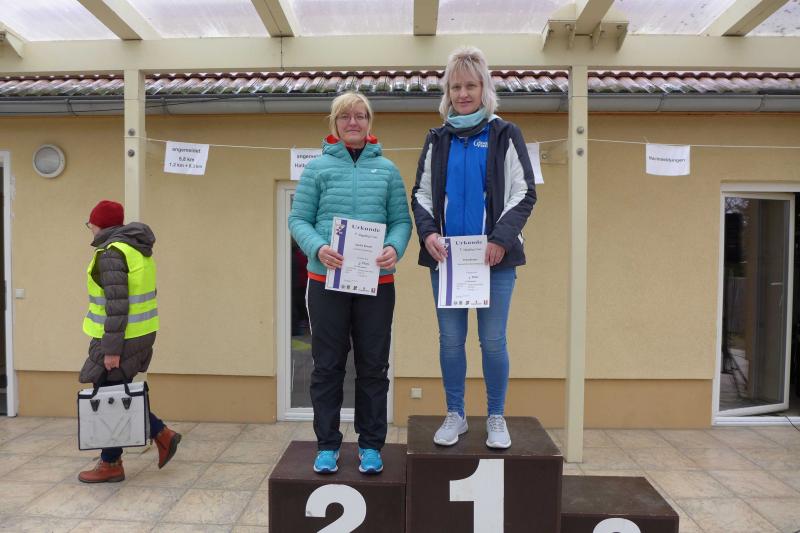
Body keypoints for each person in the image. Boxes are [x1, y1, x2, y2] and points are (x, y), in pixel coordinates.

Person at [411, 46, 537, 449]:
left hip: (495, 261)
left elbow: (524, 192)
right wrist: (428, 234)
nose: (463, 94)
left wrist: (500, 239)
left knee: (493, 341)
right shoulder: (437, 139)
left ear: (485, 89)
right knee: (450, 341)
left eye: (470, 86)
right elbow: (421, 194)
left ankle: (496, 416)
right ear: (447, 93)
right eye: (455, 87)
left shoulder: (505, 134)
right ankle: (456, 414)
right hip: (447, 262)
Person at [289, 91, 411, 475]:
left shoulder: (387, 170)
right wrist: (318, 247)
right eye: (345, 116)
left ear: (369, 122)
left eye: (360, 116)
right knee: (327, 365)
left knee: (373, 365)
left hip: (377, 282)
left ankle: (371, 445)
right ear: (334, 123)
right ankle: (327, 445)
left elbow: (401, 221)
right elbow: (298, 220)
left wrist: (394, 247)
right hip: (326, 281)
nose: (353, 122)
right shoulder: (317, 169)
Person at [77, 200, 181, 483]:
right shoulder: (136, 249)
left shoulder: (112, 253)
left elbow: (117, 305)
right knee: (113, 392)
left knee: (108, 395)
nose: (90, 229)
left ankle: (114, 461)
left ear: (99, 225)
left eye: (90, 224)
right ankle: (159, 435)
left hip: (120, 338)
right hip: (137, 333)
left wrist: (111, 350)